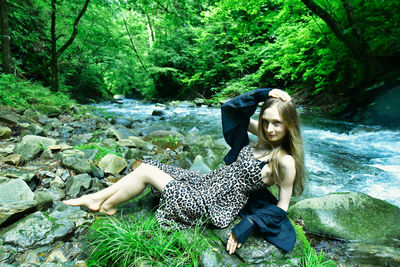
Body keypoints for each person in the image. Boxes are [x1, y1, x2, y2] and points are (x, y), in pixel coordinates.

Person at [63, 88, 305, 254]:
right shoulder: (262, 135)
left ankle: (101, 202)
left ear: (289, 124)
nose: (270, 129)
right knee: (150, 165)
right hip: (206, 183)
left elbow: (282, 207)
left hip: (211, 204)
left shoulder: (285, 161)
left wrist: (249, 223)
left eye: (277, 123)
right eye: (266, 121)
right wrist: (263, 94)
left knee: (147, 172)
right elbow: (230, 110)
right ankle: (101, 201)